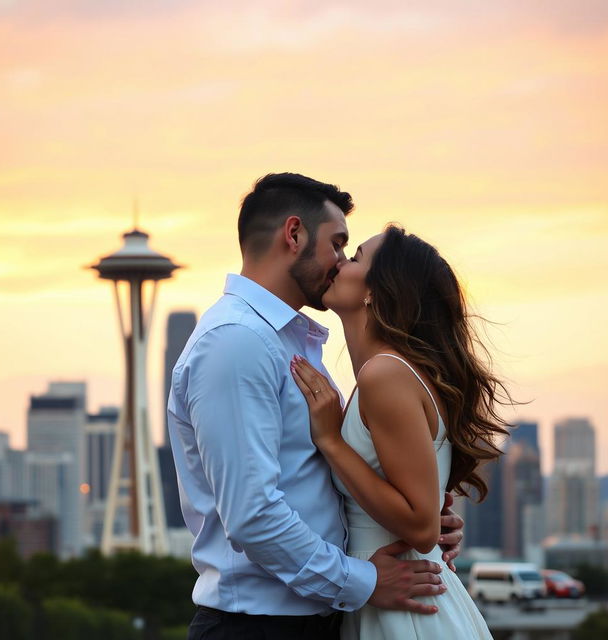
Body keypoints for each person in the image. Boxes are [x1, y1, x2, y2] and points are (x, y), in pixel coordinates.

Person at [167, 173, 465, 640]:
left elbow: (314, 480)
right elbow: (253, 515)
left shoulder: (293, 348)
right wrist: (365, 581)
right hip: (259, 627)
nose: (341, 262)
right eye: (339, 244)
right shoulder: (237, 343)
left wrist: (416, 528)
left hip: (318, 619)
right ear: (294, 235)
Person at [291, 225, 511, 638]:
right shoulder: (386, 374)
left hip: (406, 609)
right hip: (394, 592)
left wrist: (332, 442)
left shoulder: (385, 374)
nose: (339, 263)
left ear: (377, 290)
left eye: (354, 258)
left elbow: (421, 524)